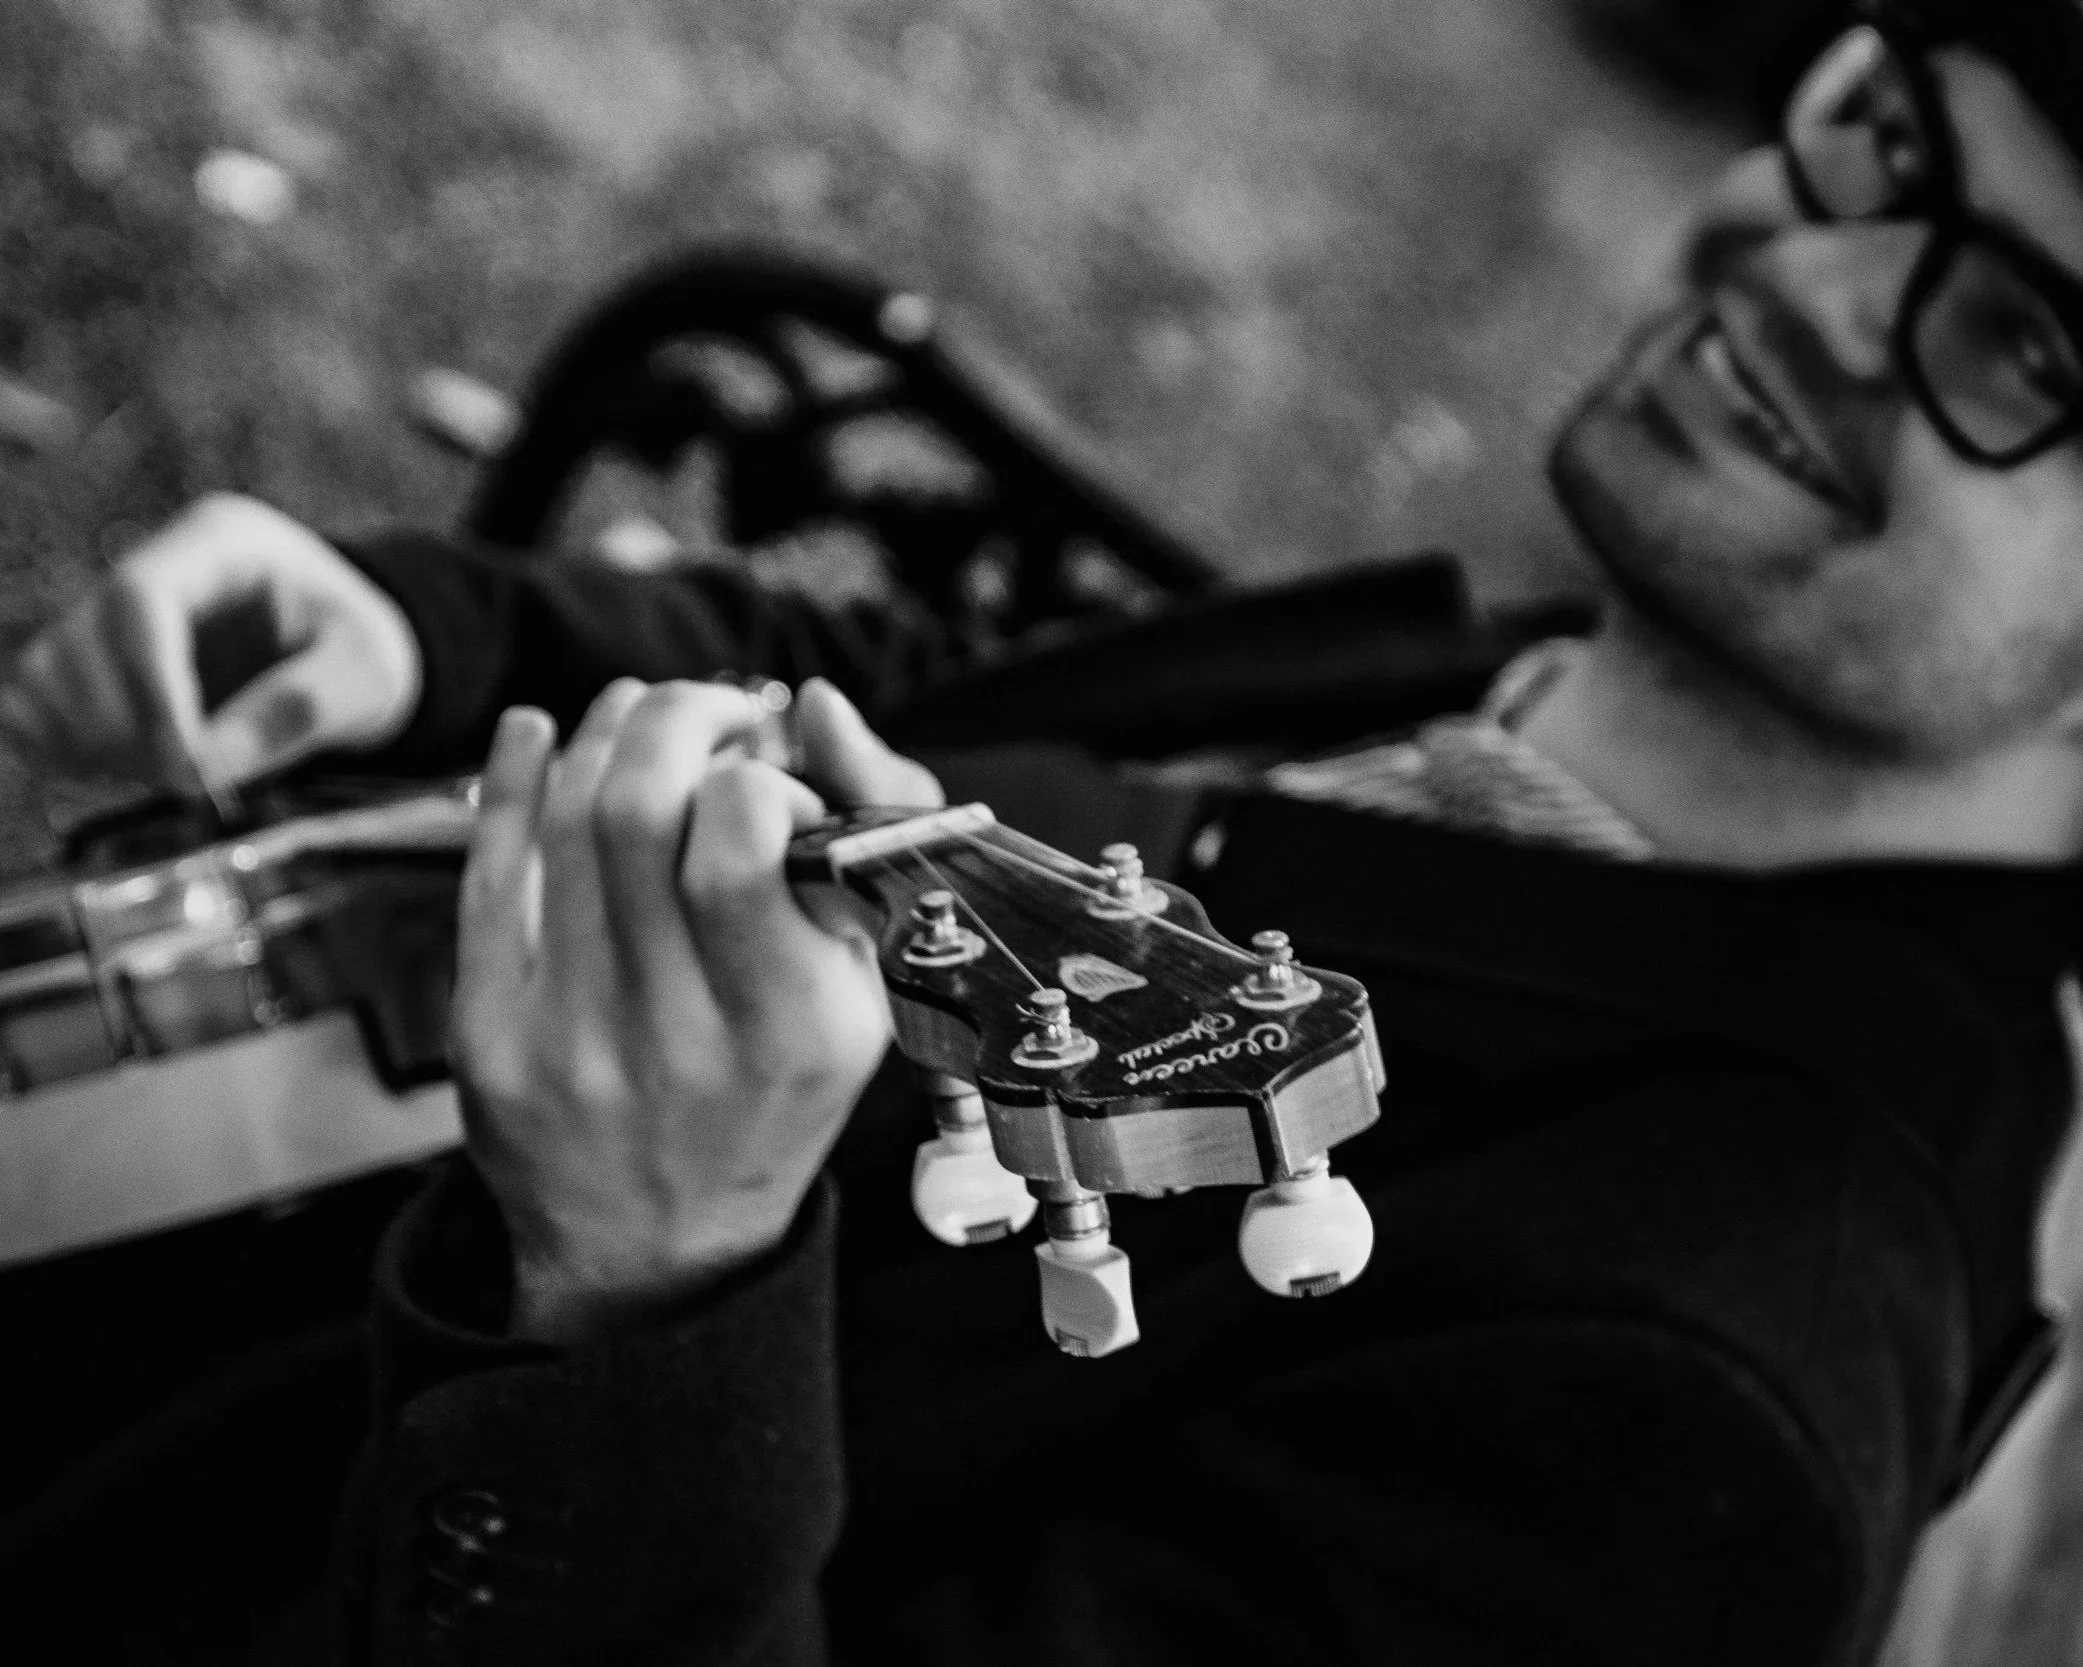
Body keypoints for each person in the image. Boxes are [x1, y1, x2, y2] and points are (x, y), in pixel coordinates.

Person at [8, 1, 2083, 1660]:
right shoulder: (1606, 686)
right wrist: (448, 637)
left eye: (2025, 340)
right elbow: (990, 699)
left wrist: (654, 1303)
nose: (1808, 271)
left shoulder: (1705, 1424)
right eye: (1887, 140)